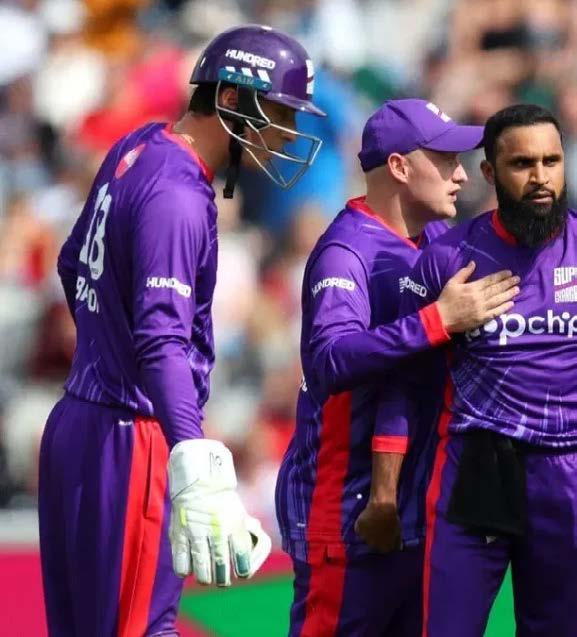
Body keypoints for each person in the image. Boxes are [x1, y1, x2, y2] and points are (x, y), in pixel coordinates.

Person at [38, 24, 325, 637]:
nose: (287, 132)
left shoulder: (137, 146)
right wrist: (189, 450)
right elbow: (162, 340)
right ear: (230, 99)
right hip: (131, 435)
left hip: (78, 422)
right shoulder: (179, 194)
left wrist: (105, 356)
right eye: (279, 111)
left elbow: (71, 263)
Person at [275, 99, 520, 637]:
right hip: (346, 511)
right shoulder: (345, 252)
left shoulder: (435, 243)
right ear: (400, 167)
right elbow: (329, 360)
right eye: (446, 159)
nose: (461, 174)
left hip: (415, 511)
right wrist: (438, 320)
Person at [387, 103, 577, 637]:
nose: (540, 177)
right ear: (490, 173)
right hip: (476, 467)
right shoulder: (448, 257)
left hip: (566, 472)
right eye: (522, 164)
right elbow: (402, 380)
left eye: (551, 161)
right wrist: (385, 487)